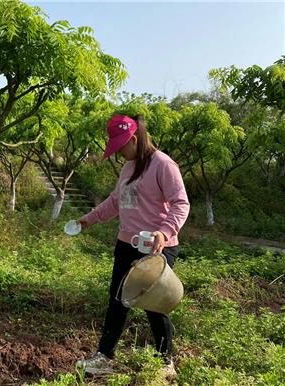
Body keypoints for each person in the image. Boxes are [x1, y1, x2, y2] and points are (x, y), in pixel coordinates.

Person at [75, 114, 190, 378]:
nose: (119, 154)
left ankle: (165, 363)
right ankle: (104, 357)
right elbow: (116, 201)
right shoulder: (128, 168)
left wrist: (164, 232)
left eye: (121, 147)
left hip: (156, 246)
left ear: (134, 139)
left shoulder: (163, 165)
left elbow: (181, 203)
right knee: (117, 300)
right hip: (127, 243)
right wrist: (88, 220)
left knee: (154, 303)